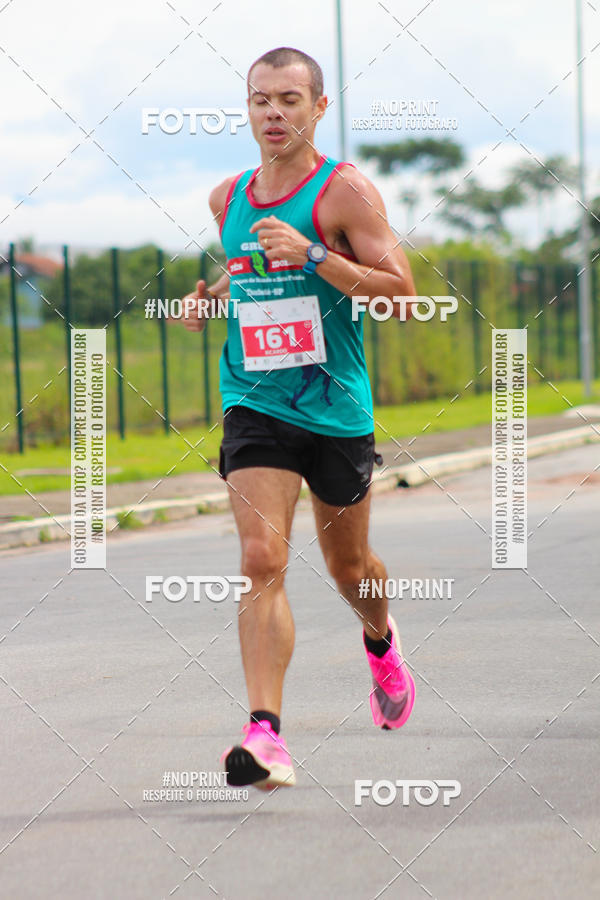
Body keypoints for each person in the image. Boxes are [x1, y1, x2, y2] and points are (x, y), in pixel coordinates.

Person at [183, 47, 417, 791]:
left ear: (319, 108)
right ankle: (265, 735)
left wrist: (316, 254)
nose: (273, 113)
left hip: (335, 408)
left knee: (351, 569)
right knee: (261, 559)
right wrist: (214, 295)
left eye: (289, 99)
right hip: (254, 401)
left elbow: (401, 295)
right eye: (261, 100)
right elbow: (252, 267)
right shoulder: (228, 197)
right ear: (248, 109)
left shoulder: (345, 192)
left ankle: (379, 640)